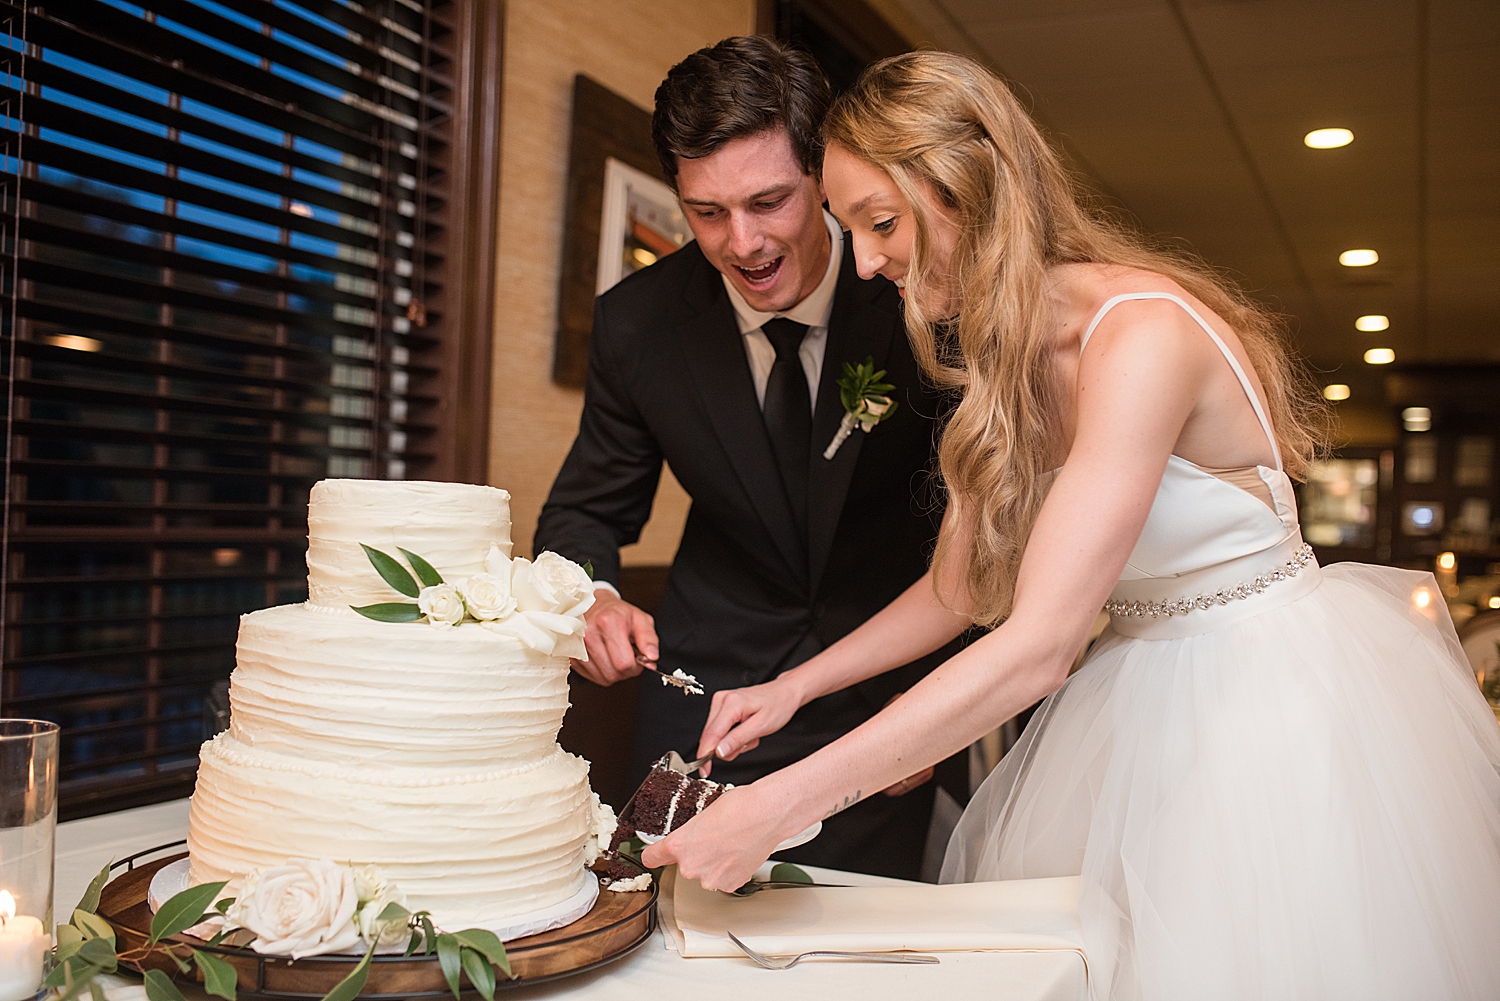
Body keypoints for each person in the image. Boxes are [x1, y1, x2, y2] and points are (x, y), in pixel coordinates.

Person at [642, 51, 1500, 999]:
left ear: (965, 190)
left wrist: (778, 806)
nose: (869, 259)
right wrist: (794, 687)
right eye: (853, 228)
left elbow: (1041, 643)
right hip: (1136, 694)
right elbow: (957, 591)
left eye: (881, 223)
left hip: (1266, 701)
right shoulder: (997, 362)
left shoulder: (1141, 337)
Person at [533, 36, 958, 880]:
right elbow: (586, 506)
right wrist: (594, 596)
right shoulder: (638, 323)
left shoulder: (921, 294)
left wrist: (939, 703)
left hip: (880, 701)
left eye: (770, 202)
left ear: (823, 176)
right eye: (707, 212)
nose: (743, 242)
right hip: (701, 696)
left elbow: (984, 525)